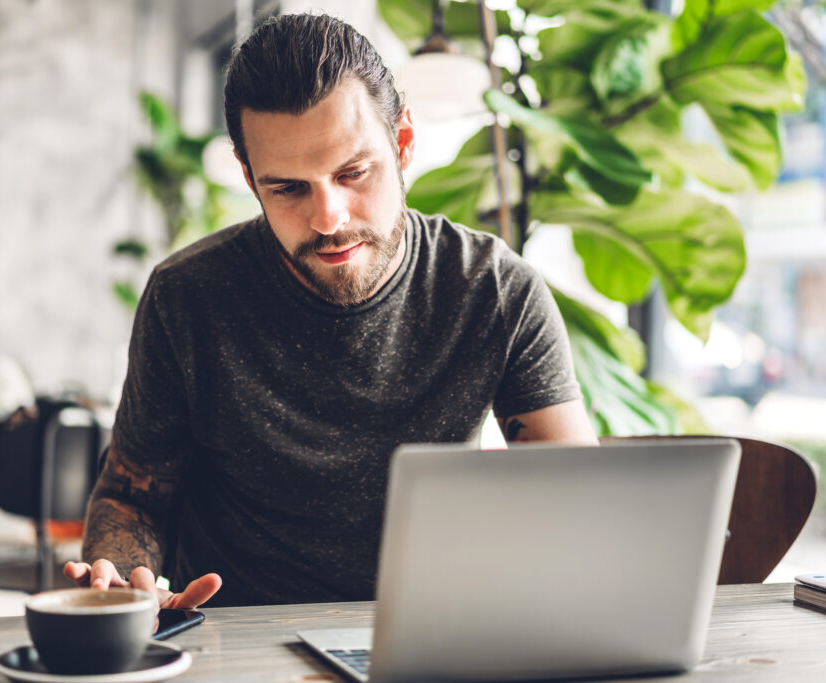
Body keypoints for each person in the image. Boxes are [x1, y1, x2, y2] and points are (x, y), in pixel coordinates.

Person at [64, 12, 597, 609]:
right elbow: (132, 495)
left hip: (429, 635)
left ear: (403, 143)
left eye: (353, 173)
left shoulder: (495, 291)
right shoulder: (187, 296)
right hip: (236, 642)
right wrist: (121, 579)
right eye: (287, 188)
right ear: (249, 177)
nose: (328, 219)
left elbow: (574, 506)